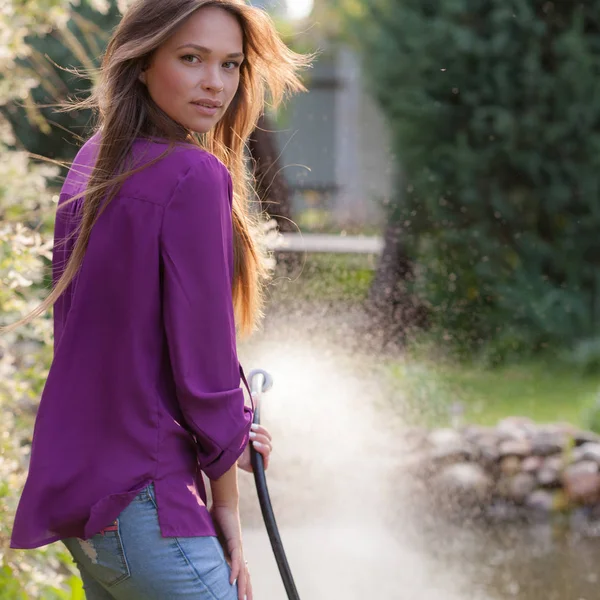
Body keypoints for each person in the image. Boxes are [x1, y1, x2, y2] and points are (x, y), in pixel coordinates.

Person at [7, 1, 308, 598]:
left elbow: (146, 345)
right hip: (145, 498)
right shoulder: (191, 175)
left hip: (87, 500)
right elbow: (204, 364)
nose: (214, 83)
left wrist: (229, 456)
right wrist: (232, 471)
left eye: (230, 65)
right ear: (143, 61)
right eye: (191, 59)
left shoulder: (96, 161)